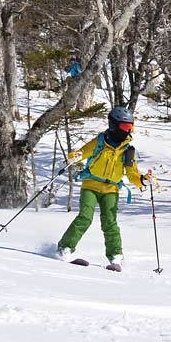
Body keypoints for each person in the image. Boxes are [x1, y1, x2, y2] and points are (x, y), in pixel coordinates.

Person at [57, 107, 150, 271]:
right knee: (85, 217)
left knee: (110, 223)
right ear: (114, 125)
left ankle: (116, 257)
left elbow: (132, 174)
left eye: (130, 127)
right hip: (91, 186)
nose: (128, 131)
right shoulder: (100, 142)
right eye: (124, 127)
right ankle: (65, 248)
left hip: (111, 189)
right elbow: (81, 153)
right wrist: (75, 157)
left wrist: (143, 180)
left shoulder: (128, 151)